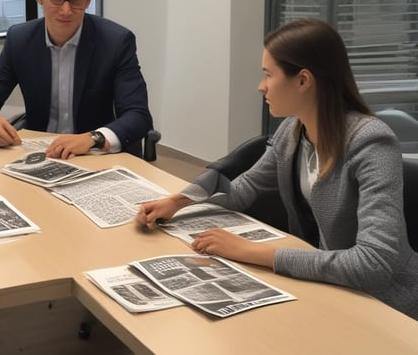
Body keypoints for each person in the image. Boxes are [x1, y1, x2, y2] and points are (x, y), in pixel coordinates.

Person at [136, 18, 418, 320]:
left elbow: (373, 264)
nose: (261, 86)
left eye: (268, 75)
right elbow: (243, 189)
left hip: (386, 306)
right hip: (329, 286)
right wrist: (177, 202)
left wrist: (251, 252)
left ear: (303, 80)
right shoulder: (293, 131)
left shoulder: (371, 142)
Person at [0, 0, 153, 159]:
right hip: (41, 153)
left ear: (88, 0)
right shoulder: (20, 39)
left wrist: (93, 138)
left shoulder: (116, 42)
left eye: (76, 0)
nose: (65, 10)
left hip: (93, 154)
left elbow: (138, 116)